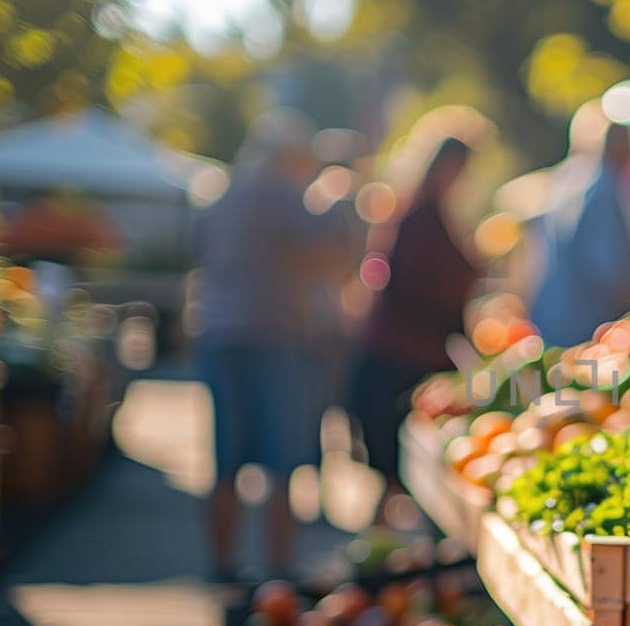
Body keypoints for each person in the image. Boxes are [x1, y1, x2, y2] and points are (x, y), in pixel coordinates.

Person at [192, 108, 342, 581]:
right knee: (282, 462)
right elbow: (333, 254)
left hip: (220, 335)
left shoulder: (222, 192)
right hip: (276, 338)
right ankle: (280, 569)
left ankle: (222, 565)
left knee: (225, 460)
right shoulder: (284, 193)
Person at [349, 136, 480, 516]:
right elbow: (413, 286)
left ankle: (387, 556)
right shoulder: (420, 217)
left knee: (406, 478)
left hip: (411, 356)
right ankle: (381, 560)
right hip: (401, 361)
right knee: (399, 474)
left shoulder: (430, 214)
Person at [528, 123, 630, 346]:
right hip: (582, 326)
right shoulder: (603, 190)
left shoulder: (570, 180)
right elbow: (608, 271)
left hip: (553, 318)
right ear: (617, 147)